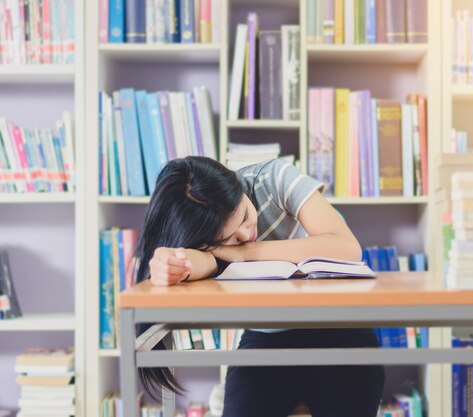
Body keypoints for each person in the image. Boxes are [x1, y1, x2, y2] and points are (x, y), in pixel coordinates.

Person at [135, 156, 384, 417]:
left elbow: (346, 248)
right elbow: (204, 262)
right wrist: (173, 262)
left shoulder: (273, 179)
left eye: (243, 215)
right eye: (227, 239)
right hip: (269, 337)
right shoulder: (200, 229)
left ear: (238, 186)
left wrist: (246, 252)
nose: (245, 234)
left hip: (342, 329)